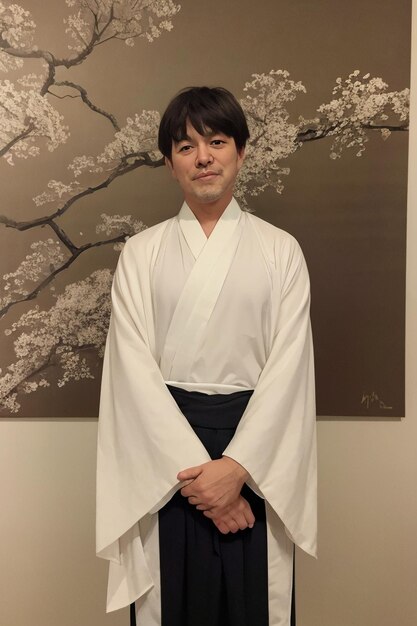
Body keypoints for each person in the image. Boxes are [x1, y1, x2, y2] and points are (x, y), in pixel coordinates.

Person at [96, 86, 317, 626]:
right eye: (186, 146)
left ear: (241, 152)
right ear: (170, 163)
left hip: (254, 457)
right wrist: (207, 486)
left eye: (216, 141)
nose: (203, 157)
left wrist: (237, 469)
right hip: (168, 466)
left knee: (253, 604)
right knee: (169, 604)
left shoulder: (280, 250)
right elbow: (132, 375)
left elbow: (290, 370)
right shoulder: (142, 254)